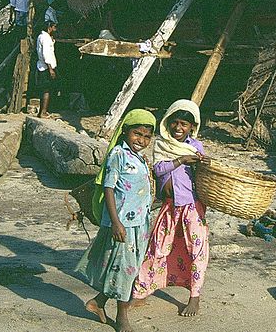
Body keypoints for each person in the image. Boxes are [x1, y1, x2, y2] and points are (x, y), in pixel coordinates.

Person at [77, 109, 157, 332]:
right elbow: (109, 188)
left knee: (127, 268)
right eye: (136, 134)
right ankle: (121, 316)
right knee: (127, 269)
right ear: (125, 132)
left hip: (139, 224)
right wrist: (116, 222)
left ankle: (97, 302)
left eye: (146, 136)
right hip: (122, 223)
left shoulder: (140, 158)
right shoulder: (118, 155)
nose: (141, 140)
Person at [133, 99, 210, 317]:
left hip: (192, 207)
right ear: (168, 123)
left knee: (196, 250)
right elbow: (159, 169)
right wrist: (181, 160)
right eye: (175, 123)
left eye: (184, 125)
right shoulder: (162, 144)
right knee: (157, 247)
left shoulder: (196, 147)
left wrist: (203, 162)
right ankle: (141, 291)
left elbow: (204, 174)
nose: (178, 128)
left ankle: (194, 297)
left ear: (192, 127)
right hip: (170, 206)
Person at [36, 19, 57, 118]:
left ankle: (42, 111)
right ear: (50, 28)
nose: (55, 29)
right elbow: (46, 54)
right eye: (54, 27)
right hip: (45, 67)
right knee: (46, 90)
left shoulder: (42, 36)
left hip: (42, 66)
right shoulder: (45, 38)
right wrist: (50, 69)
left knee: (45, 90)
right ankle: (42, 112)